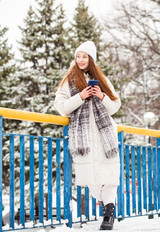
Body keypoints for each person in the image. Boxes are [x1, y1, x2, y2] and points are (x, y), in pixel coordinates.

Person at [54, 41, 121, 230]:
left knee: (109, 176)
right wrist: (81, 96)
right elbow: (62, 109)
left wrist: (101, 95)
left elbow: (115, 107)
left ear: (91, 59)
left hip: (104, 136)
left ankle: (108, 213)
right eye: (78, 56)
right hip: (82, 137)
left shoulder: (103, 79)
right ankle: (105, 204)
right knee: (91, 179)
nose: (81, 60)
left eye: (85, 56)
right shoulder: (68, 81)